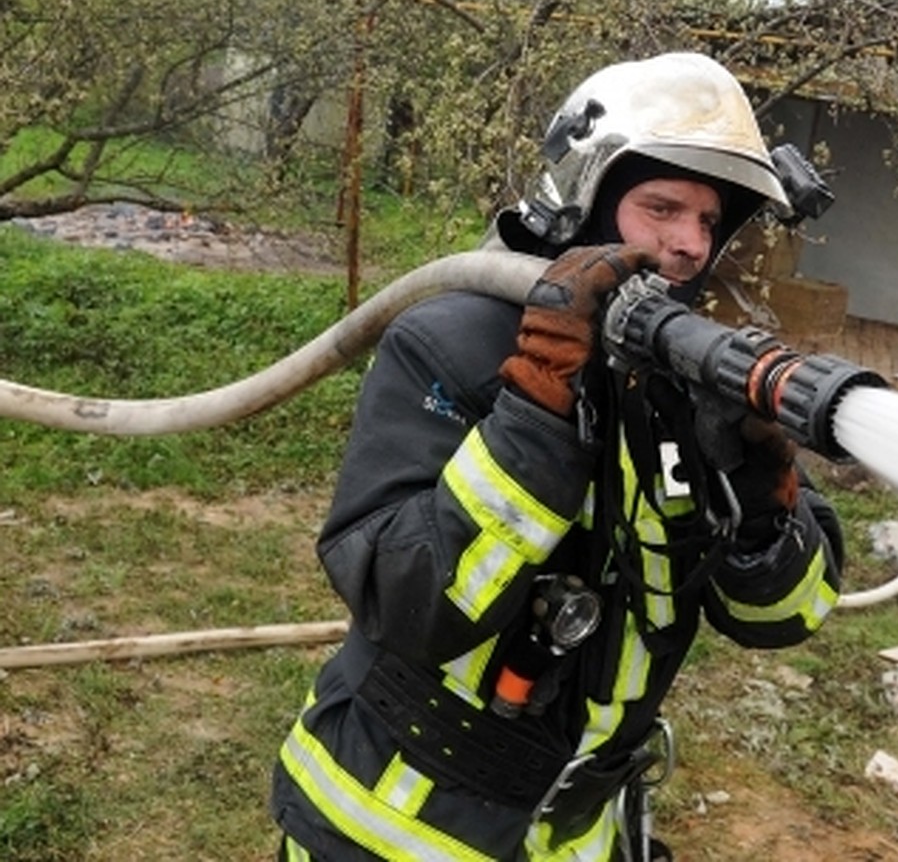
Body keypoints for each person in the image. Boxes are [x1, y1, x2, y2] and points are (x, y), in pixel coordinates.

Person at [271, 52, 846, 862]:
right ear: (588, 198)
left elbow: (786, 616)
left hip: (576, 834)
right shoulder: (454, 344)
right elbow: (406, 603)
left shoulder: (681, 381)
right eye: (662, 208)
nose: (689, 244)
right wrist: (537, 414)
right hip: (389, 831)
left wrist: (761, 485)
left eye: (709, 222)